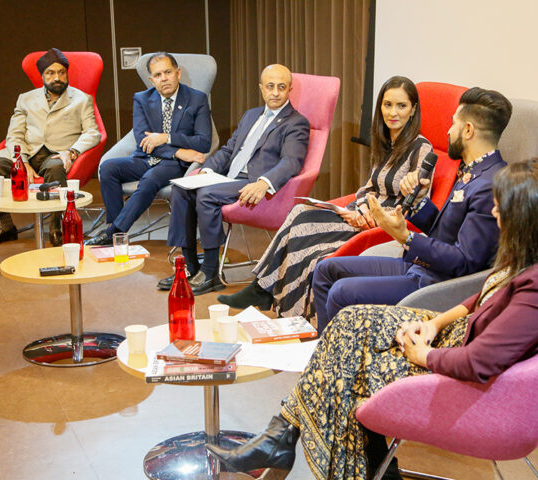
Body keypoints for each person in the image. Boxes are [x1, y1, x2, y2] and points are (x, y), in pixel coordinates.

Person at [206, 157, 538, 480]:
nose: (494, 212)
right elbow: (487, 293)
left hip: (465, 369)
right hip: (454, 334)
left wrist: (423, 355)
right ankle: (287, 437)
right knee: (349, 321)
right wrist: (434, 324)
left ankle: (305, 449)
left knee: (350, 366)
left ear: (530, 217)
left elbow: (479, 364)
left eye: (501, 206)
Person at [217, 76, 437, 320]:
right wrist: (356, 208)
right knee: (300, 212)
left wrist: (366, 214)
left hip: (377, 227)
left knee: (309, 249)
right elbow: (369, 188)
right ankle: (262, 289)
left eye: (401, 106)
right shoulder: (387, 143)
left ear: (413, 109)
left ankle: (279, 303)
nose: (392, 112)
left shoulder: (422, 149)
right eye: (387, 105)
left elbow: (409, 210)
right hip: (357, 214)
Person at [311, 87, 513, 332]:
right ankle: (321, 350)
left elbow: (464, 263)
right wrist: (417, 201)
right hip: (423, 267)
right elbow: (446, 231)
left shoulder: (489, 184)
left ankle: (332, 362)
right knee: (326, 270)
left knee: (341, 291)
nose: (448, 132)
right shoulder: (473, 170)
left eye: (453, 124)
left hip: (438, 283)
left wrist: (404, 236)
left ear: (468, 130)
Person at [156, 64, 310, 295]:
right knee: (182, 189)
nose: (275, 93)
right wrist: (206, 172)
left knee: (206, 195)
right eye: (270, 87)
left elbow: (291, 162)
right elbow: (229, 150)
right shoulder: (251, 115)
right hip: (228, 177)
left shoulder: (296, 122)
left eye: (281, 87)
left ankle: (210, 271)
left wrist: (263, 183)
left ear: (290, 89)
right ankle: (189, 266)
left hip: (254, 182)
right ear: (261, 88)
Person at [86, 52, 212, 245]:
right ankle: (116, 229)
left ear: (178, 73)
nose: (164, 79)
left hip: (174, 165)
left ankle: (113, 232)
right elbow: (142, 141)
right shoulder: (142, 99)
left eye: (168, 72)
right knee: (109, 167)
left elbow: (203, 142)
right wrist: (177, 150)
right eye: (158, 75)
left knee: (150, 178)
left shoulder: (196, 99)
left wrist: (166, 138)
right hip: (150, 157)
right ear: (152, 80)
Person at [0, 48, 101, 246]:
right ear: (42, 76)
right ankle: (6, 226)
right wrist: (22, 161)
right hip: (26, 151)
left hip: (56, 153)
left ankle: (55, 229)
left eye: (61, 72)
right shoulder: (25, 99)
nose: (57, 78)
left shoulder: (81, 99)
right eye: (50, 73)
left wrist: (71, 152)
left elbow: (92, 133)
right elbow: (15, 134)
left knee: (55, 168)